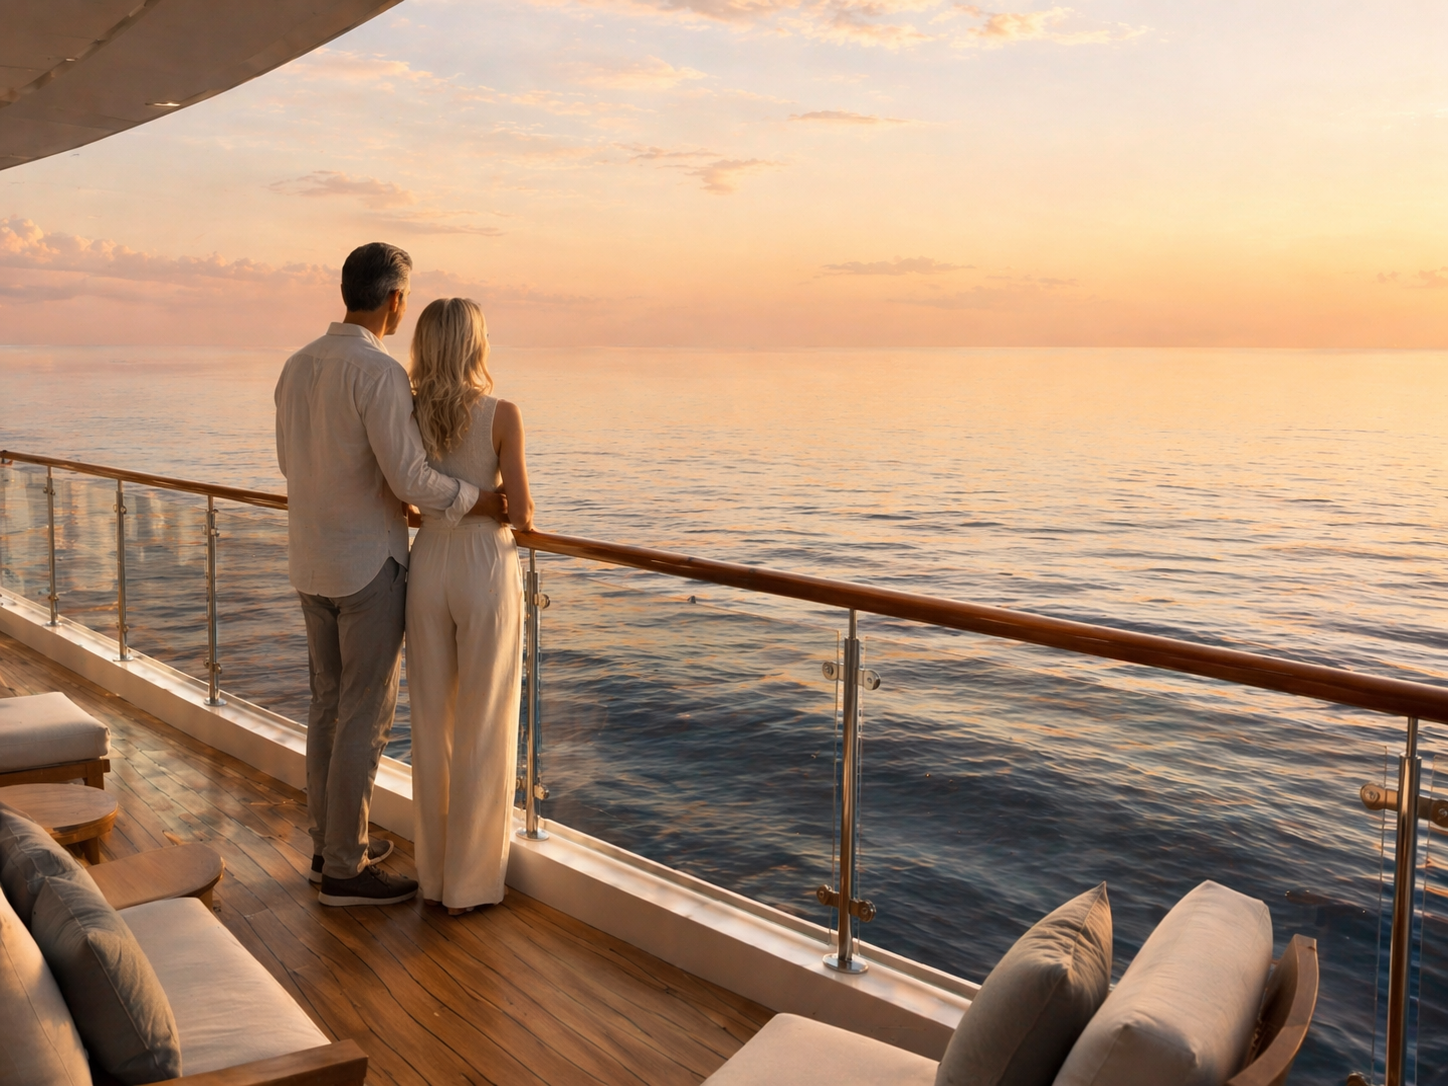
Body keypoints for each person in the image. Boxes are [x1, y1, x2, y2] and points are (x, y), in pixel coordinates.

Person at [274, 243, 505, 907]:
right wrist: (481, 503)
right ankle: (345, 869)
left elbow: (291, 464)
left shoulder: (296, 366)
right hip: (367, 568)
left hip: (309, 562)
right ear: (395, 299)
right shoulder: (376, 374)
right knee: (363, 717)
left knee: (327, 705)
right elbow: (409, 478)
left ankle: (329, 846)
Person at [404, 297, 534, 915]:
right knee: (485, 720)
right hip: (484, 564)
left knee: (433, 721)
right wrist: (496, 492)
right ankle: (472, 884)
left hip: (428, 561)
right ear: (476, 344)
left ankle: (432, 877)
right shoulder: (501, 414)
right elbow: (523, 515)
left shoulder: (407, 415)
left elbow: (404, 498)